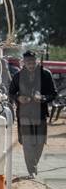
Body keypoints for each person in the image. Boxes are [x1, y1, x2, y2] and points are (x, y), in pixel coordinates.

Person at [9, 50, 57, 178]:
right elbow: (11, 93)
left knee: (40, 142)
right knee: (28, 143)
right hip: (24, 114)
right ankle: (31, 169)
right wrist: (18, 98)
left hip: (40, 114)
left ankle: (34, 163)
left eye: (32, 62)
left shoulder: (46, 74)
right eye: (27, 62)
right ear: (23, 62)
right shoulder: (18, 76)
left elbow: (53, 93)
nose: (30, 64)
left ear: (36, 61)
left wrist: (43, 98)